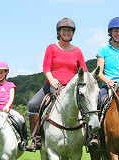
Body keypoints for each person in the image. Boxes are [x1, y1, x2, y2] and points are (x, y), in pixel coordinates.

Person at [25, 17, 88, 152]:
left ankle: (90, 137)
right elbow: (46, 68)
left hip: (71, 89)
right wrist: (52, 79)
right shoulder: (51, 48)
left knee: (89, 105)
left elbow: (84, 71)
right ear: (59, 32)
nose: (67, 32)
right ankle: (36, 139)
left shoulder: (77, 51)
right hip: (52, 85)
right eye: (64, 30)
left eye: (69, 30)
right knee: (32, 104)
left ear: (73, 33)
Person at [93, 16, 119, 147]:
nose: (118, 34)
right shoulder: (103, 50)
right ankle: (95, 136)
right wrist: (108, 81)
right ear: (110, 33)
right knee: (99, 102)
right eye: (116, 31)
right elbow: (98, 72)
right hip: (108, 85)